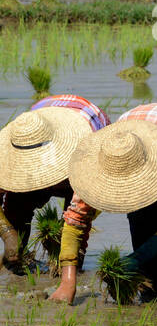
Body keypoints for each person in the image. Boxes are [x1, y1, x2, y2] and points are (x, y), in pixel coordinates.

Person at [51, 101, 157, 303]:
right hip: (138, 131)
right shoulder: (95, 162)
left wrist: (134, 260)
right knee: (140, 218)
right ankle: (153, 294)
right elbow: (75, 219)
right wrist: (67, 283)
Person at [0, 95, 110, 269]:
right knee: (16, 206)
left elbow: (81, 214)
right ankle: (18, 259)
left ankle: (71, 265)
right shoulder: (16, 146)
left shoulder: (84, 150)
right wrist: (9, 234)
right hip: (43, 118)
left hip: (79, 154)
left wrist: (69, 256)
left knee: (75, 229)